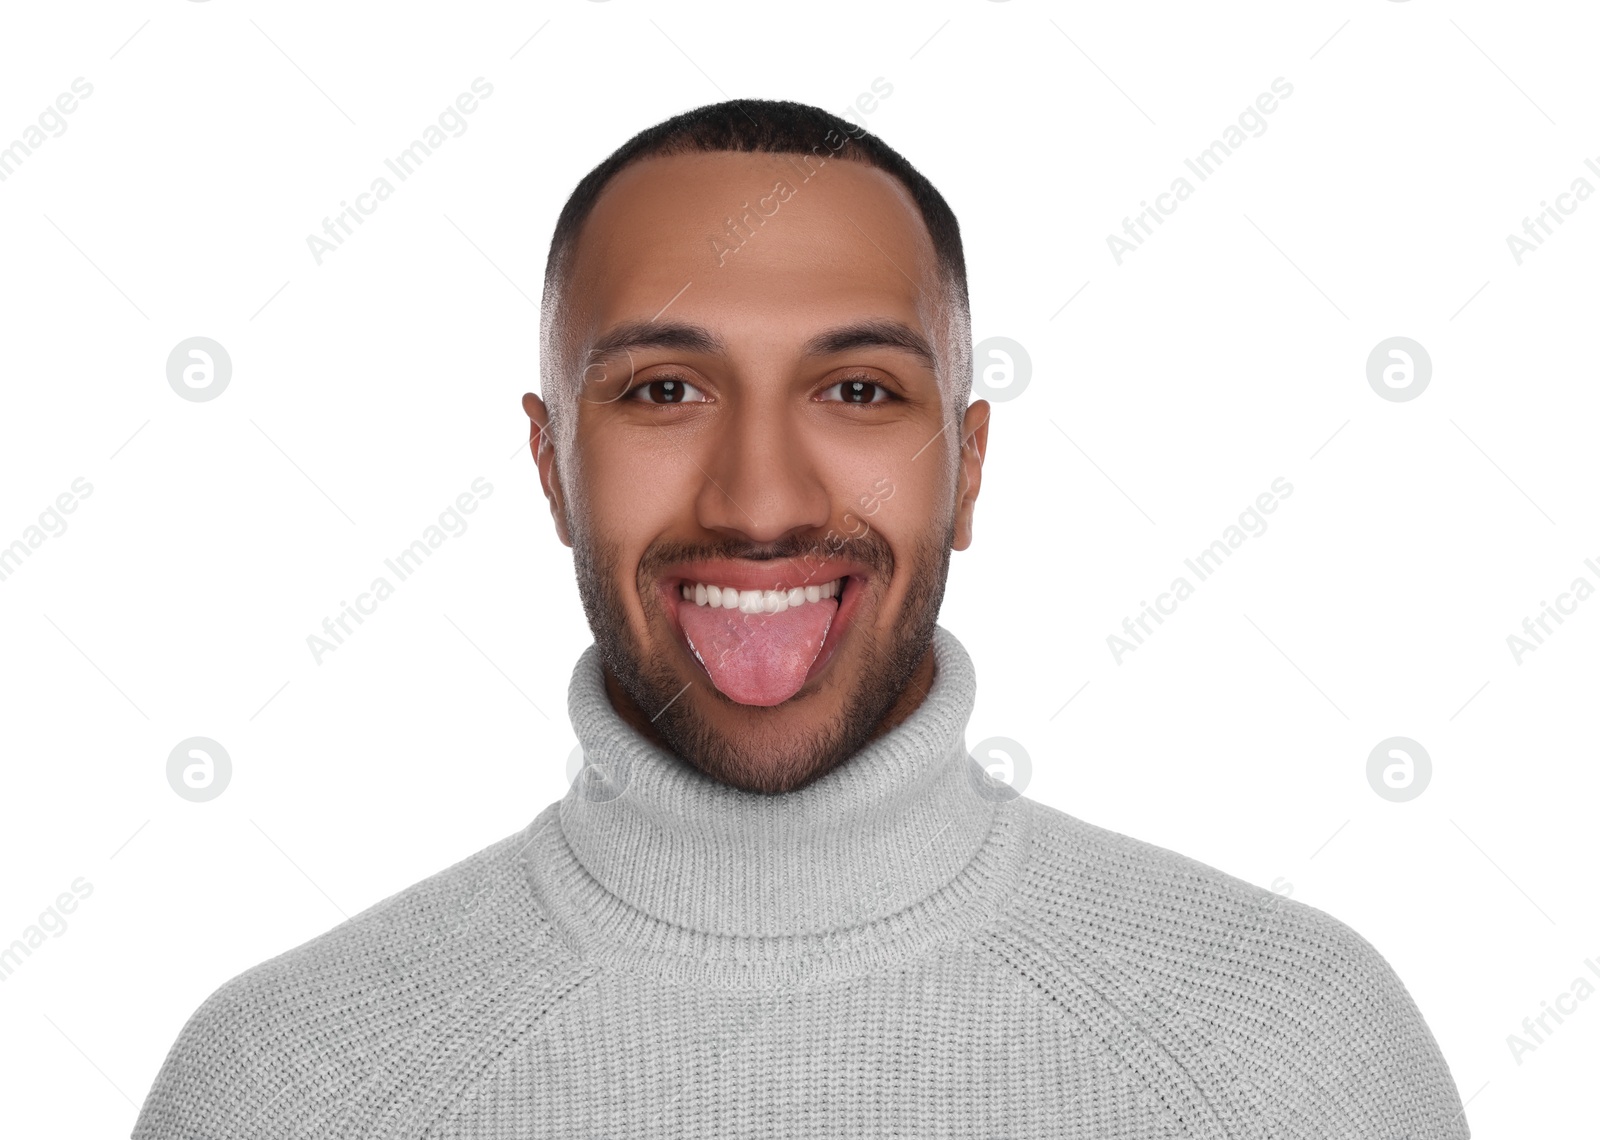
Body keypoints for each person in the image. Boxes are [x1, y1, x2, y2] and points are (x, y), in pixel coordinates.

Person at [132, 98, 1470, 1138]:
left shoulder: (1290, 1053)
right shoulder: (288, 1081)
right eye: (663, 392)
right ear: (551, 467)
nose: (759, 501)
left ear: (970, 465)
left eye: (859, 392)